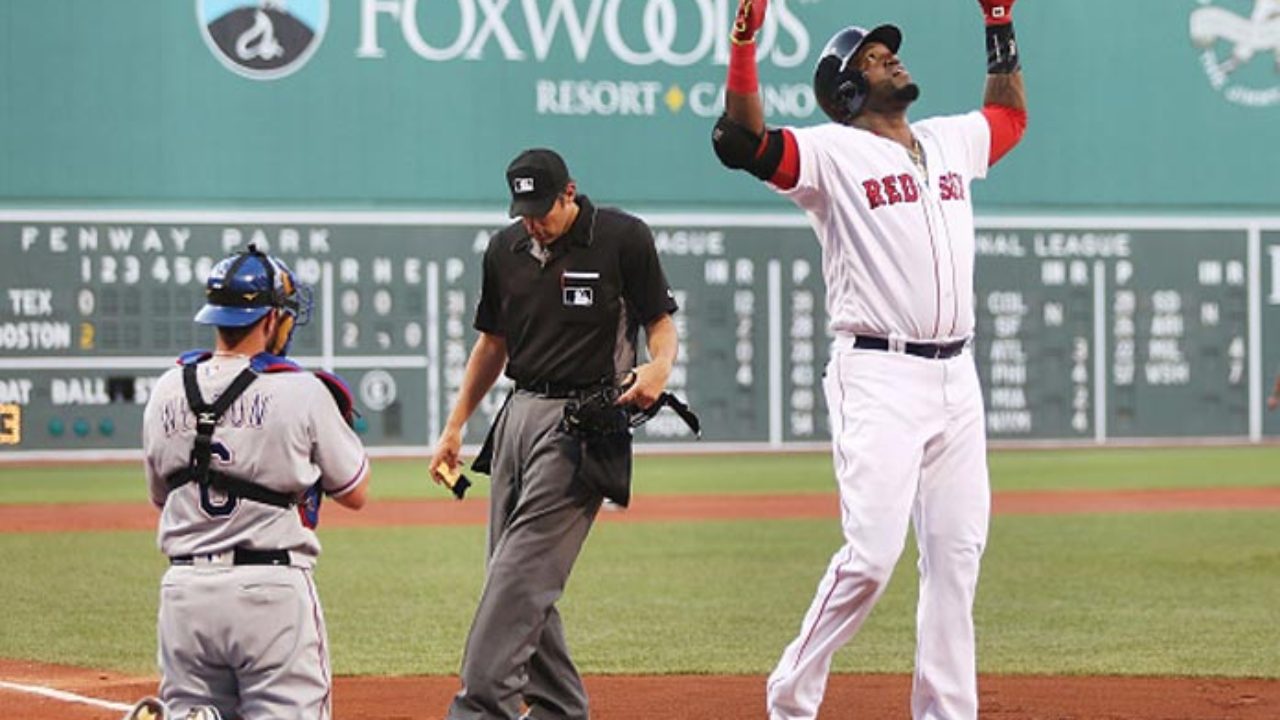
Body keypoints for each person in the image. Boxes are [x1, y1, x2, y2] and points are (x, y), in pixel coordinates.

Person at [712, 0, 1028, 718]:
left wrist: (999, 20)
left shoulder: (947, 141)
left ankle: (947, 711)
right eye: (871, 55)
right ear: (846, 90)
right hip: (878, 373)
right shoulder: (832, 152)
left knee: (956, 557)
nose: (889, 55)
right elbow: (743, 138)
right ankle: (790, 697)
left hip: (957, 377)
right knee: (871, 558)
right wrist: (744, 40)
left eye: (887, 50)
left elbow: (1009, 119)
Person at [429, 147, 680, 720]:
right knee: (511, 570)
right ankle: (560, 708)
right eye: (522, 210)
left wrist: (660, 367)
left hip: (586, 421)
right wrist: (454, 426)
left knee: (520, 572)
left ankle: (479, 707)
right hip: (518, 414)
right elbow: (492, 344)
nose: (532, 221)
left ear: (570, 192)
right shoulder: (505, 250)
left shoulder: (621, 237)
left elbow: (659, 323)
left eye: (542, 207)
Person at [128, 245, 371, 720]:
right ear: (270, 319)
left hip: (184, 592)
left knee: (190, 708)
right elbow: (356, 492)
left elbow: (161, 495)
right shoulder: (301, 389)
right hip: (270, 592)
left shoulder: (166, 388)